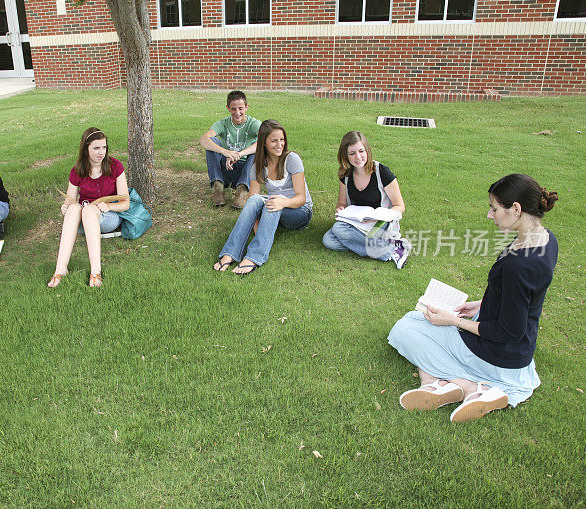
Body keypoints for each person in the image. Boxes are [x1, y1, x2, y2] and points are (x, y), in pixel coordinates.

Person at [388, 174, 559, 422]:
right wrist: (482, 303)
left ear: (516, 209)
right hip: (515, 344)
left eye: (494, 208)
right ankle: (437, 385)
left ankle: (467, 387)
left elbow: (508, 332)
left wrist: (453, 321)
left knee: (405, 329)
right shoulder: (544, 238)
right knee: (418, 320)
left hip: (500, 353)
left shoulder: (520, 265)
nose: (490, 215)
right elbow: (523, 297)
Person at [213, 119, 312, 275]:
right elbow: (252, 203)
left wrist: (282, 202)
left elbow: (301, 199)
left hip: (300, 211)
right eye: (274, 141)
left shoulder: (292, 159)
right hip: (275, 208)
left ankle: (254, 257)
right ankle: (230, 253)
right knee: (255, 199)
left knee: (272, 203)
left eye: (282, 140)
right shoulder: (258, 166)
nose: (280, 144)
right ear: (264, 142)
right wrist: (257, 225)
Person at [48, 128, 130, 288]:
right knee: (75, 209)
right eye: (96, 148)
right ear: (86, 149)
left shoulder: (115, 166)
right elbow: (69, 202)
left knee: (88, 209)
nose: (101, 152)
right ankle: (60, 269)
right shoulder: (78, 170)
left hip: (108, 217)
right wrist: (65, 208)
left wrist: (108, 206)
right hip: (84, 221)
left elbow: (126, 203)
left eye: (104, 147)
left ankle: (95, 271)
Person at [322, 131, 410, 268]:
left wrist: (377, 217)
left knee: (338, 230)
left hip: (380, 223)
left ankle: (387, 249)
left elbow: (400, 206)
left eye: (361, 151)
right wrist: (340, 209)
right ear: (345, 156)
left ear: (367, 150)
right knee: (328, 240)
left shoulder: (382, 172)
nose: (358, 157)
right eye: (352, 153)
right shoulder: (345, 175)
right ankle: (392, 247)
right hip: (358, 222)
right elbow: (342, 203)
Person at [199, 90, 262, 208]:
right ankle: (217, 188)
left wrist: (239, 154)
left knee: (257, 147)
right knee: (212, 142)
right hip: (227, 169)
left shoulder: (254, 123)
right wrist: (226, 152)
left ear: (246, 107)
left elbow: (265, 141)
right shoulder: (223, 123)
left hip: (245, 170)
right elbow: (203, 140)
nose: (237, 112)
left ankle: (242, 190)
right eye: (233, 109)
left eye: (240, 108)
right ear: (228, 108)